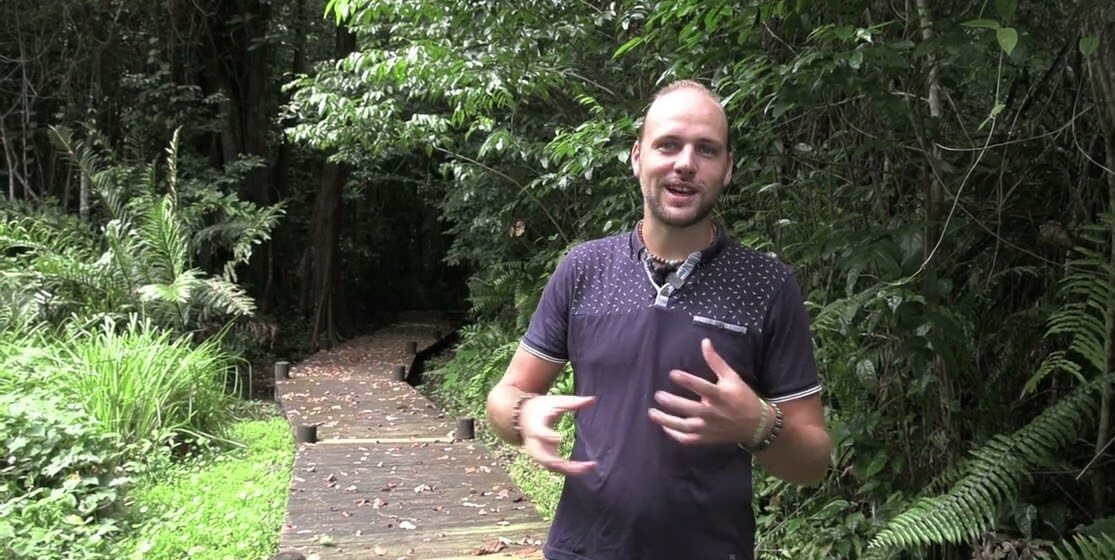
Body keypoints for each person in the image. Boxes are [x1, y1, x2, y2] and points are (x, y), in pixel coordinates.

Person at [486, 80, 832, 560]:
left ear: (728, 169)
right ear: (637, 157)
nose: (685, 163)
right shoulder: (583, 269)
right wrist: (524, 415)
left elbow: (814, 462)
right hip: (582, 549)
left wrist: (760, 425)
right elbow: (503, 398)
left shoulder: (768, 285)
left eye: (706, 150)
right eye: (668, 144)